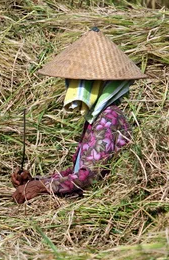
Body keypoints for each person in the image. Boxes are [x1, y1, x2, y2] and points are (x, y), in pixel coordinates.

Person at [12, 27, 146, 203]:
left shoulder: (109, 119)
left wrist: (42, 187)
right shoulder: (97, 117)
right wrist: (36, 180)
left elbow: (88, 176)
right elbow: (78, 171)